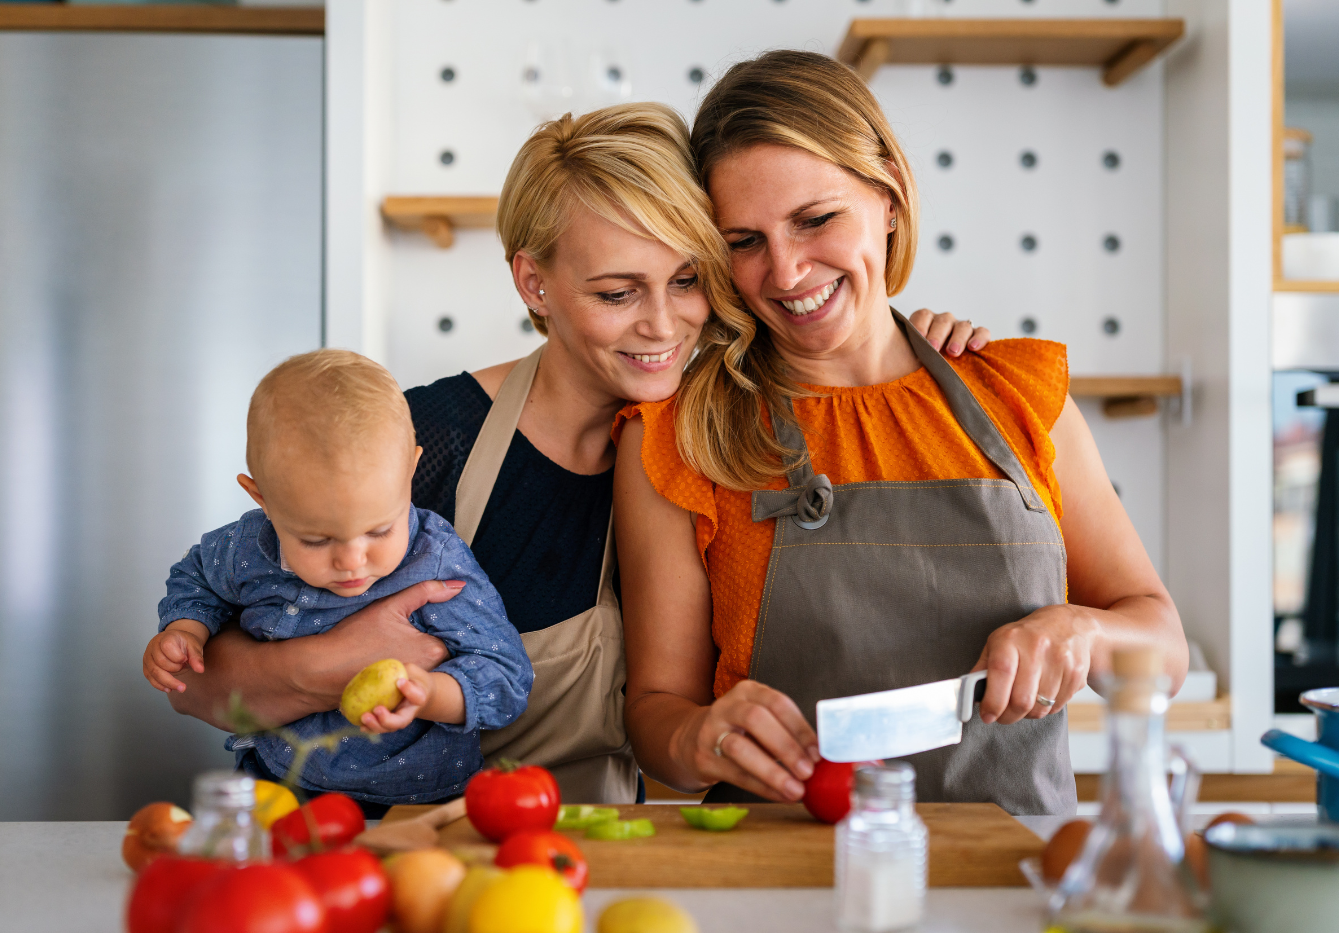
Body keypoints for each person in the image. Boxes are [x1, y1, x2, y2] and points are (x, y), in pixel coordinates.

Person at [164, 102, 987, 804]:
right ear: (533, 284)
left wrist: (917, 355)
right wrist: (342, 657)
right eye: (616, 292)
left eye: (688, 280)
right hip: (365, 853)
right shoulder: (426, 441)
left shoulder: (714, 446)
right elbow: (201, 692)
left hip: (572, 860)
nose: (663, 325)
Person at [613, 51, 1189, 815]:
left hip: (1007, 876)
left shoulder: (1015, 396)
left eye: (815, 220)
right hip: (782, 878)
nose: (785, 272)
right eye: (743, 240)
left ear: (888, 194)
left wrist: (1081, 633)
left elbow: (1163, 646)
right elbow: (657, 711)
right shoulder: (681, 435)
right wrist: (698, 738)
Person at [143, 349, 531, 813]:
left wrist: (431, 695)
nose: (352, 561)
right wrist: (187, 628)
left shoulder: (438, 559)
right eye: (315, 539)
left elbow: (507, 678)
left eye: (379, 530)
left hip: (421, 801)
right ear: (261, 498)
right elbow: (196, 578)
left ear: (410, 470)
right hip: (280, 787)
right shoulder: (246, 546)